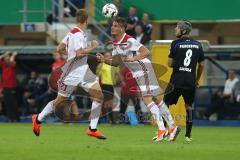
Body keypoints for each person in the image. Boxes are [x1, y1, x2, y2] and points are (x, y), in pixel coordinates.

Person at [96, 17, 179, 142]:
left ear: (122, 28)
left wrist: (134, 59)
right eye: (113, 25)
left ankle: (162, 129)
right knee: (155, 99)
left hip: (143, 68)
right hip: (140, 71)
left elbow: (146, 51)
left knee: (147, 99)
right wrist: (104, 60)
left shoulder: (129, 40)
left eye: (116, 25)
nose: (113, 27)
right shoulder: (116, 43)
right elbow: (117, 62)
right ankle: (172, 127)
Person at [32, 9, 106, 140]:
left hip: (84, 69)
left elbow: (59, 49)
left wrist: (73, 55)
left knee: (99, 96)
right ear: (86, 20)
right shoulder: (77, 35)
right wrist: (93, 47)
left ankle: (92, 129)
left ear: (77, 20)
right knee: (59, 101)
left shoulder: (73, 33)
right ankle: (38, 118)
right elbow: (79, 53)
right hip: (72, 73)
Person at [159, 20, 205, 142]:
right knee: (189, 107)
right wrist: (197, 80)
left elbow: (169, 64)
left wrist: (177, 62)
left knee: (164, 104)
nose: (175, 30)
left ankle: (164, 131)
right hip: (190, 81)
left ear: (183, 31)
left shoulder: (176, 43)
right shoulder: (198, 45)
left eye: (177, 28)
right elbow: (201, 65)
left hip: (176, 80)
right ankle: (188, 135)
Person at [96, 52, 119, 124]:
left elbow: (117, 74)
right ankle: (110, 120)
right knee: (106, 103)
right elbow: (98, 74)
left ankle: (106, 119)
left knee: (108, 103)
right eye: (106, 56)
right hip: (104, 85)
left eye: (108, 56)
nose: (107, 57)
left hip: (111, 86)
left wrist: (116, 80)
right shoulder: (101, 65)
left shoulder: (113, 65)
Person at [0, 51, 19, 122]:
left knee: (13, 103)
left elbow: (12, 62)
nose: (6, 59)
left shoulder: (12, 64)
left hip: (12, 87)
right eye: (6, 58)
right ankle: (10, 118)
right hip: (5, 87)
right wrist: (5, 54)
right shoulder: (3, 65)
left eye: (8, 58)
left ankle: (16, 118)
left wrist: (13, 55)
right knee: (8, 104)